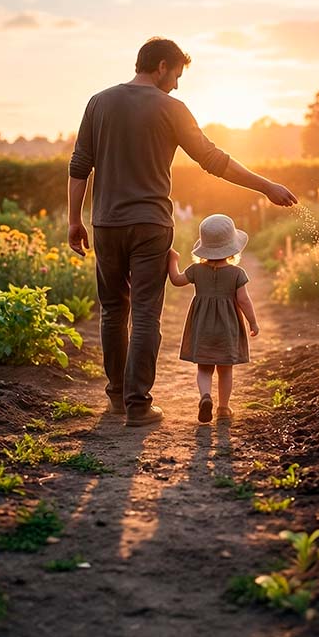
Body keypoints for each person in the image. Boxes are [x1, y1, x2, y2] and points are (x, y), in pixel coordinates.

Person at [67, 37, 297, 428]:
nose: (176, 84)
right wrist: (266, 186)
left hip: (105, 223)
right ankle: (139, 406)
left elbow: (79, 166)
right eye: (176, 74)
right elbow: (214, 160)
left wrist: (74, 220)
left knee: (112, 311)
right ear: (160, 66)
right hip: (152, 225)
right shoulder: (171, 108)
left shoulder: (99, 102)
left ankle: (117, 399)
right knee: (144, 314)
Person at [167, 214, 257, 424]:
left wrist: (173, 261)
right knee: (225, 369)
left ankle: (205, 396)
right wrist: (253, 321)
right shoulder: (237, 273)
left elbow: (176, 280)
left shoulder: (196, 270)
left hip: (202, 326)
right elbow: (244, 300)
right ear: (233, 247)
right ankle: (223, 408)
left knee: (204, 368)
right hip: (228, 328)